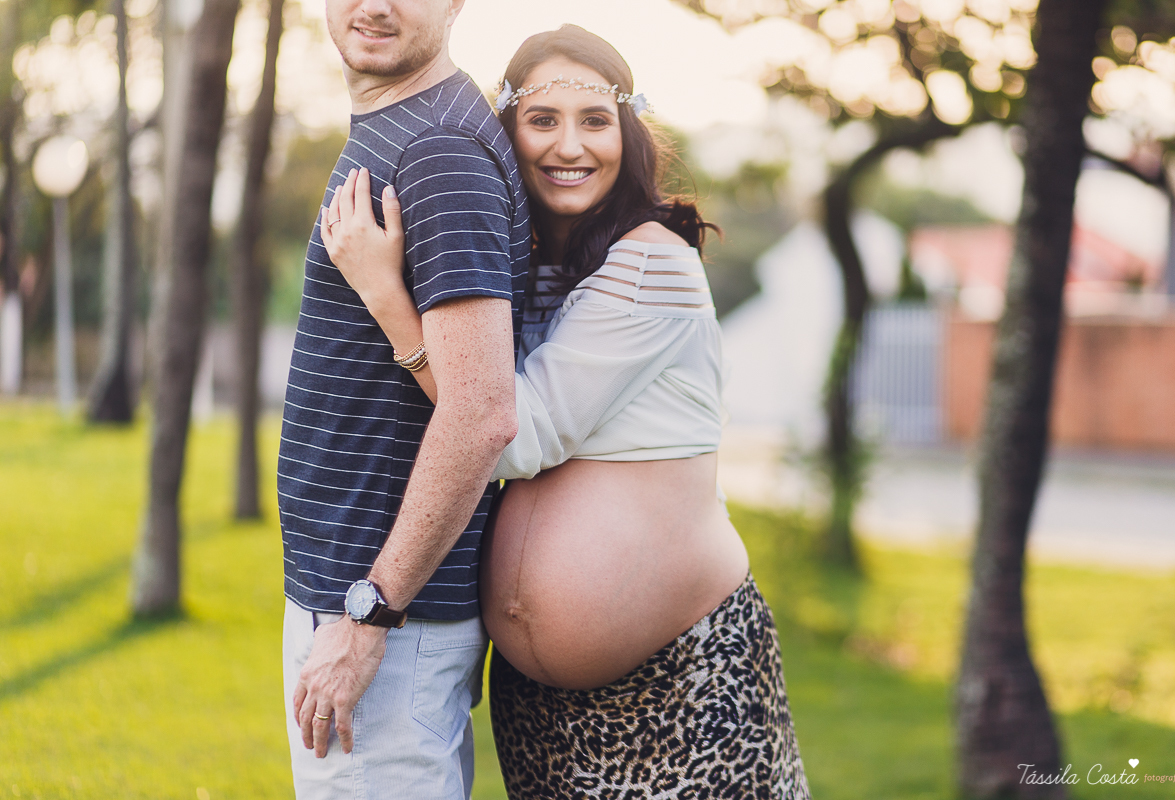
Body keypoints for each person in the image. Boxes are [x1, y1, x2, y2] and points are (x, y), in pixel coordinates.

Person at [323, 24, 810, 800]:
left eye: (595, 121)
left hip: (680, 691)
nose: (570, 145)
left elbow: (513, 434)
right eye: (543, 119)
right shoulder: (535, 265)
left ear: (628, 135)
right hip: (544, 712)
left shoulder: (650, 261)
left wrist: (386, 296)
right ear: (509, 130)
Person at [277, 0, 529, 797]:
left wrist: (370, 613)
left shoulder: (440, 152)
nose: (376, 5)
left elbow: (481, 413)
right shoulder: (403, 128)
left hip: (384, 624)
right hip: (361, 611)